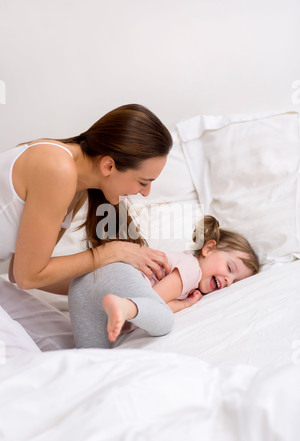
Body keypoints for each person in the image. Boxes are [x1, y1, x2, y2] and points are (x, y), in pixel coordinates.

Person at [0, 104, 173, 296]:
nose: (146, 192)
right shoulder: (57, 169)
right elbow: (27, 276)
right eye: (143, 182)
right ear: (108, 165)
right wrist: (111, 252)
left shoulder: (77, 188)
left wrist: (123, 288)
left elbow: (22, 272)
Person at [69, 215, 260, 347]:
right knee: (164, 322)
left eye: (234, 282)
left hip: (82, 290)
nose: (228, 280)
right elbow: (154, 302)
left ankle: (123, 306)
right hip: (115, 277)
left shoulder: (187, 272)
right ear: (208, 249)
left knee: (92, 358)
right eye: (229, 268)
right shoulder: (192, 268)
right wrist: (184, 304)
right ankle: (125, 306)